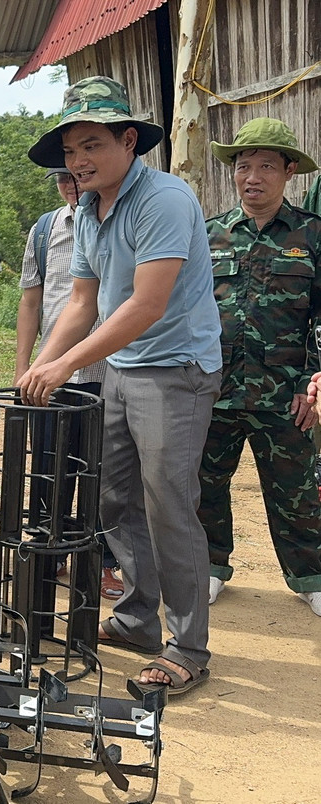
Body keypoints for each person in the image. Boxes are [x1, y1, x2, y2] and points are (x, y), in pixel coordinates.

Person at [19, 76, 222, 696]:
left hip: (176, 370)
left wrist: (61, 367)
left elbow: (147, 304)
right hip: (120, 368)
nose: (78, 162)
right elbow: (82, 301)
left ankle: (188, 646)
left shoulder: (164, 198)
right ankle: (138, 617)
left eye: (90, 146)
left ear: (128, 139)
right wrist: (40, 366)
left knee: (167, 503)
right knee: (110, 497)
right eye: (70, 152)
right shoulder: (86, 207)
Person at [197, 117, 321, 616]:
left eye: (266, 166)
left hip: (286, 393)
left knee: (298, 490)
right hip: (215, 389)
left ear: (289, 171)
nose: (252, 177)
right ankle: (208, 567)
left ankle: (312, 576)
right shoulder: (209, 235)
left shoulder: (312, 235)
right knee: (204, 484)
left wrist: (313, 382)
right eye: (243, 166)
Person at [15, 166, 123, 600]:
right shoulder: (44, 230)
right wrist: (25, 365)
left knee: (101, 470)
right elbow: (30, 300)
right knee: (49, 467)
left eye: (75, 177)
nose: (71, 186)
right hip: (51, 372)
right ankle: (50, 551)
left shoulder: (118, 222)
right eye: (62, 178)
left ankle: (101, 561)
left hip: (108, 372)